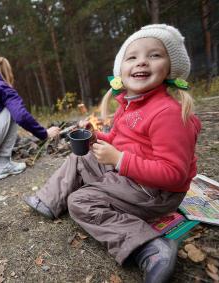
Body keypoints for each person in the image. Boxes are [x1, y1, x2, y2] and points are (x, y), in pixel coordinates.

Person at [24, 24, 201, 283]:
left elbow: (175, 175)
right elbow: (120, 140)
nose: (142, 62)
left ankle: (150, 248)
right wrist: (97, 139)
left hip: (154, 192)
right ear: (122, 71)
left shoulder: (169, 114)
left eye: (154, 55)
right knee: (81, 155)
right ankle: (50, 200)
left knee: (81, 202)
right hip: (132, 176)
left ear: (169, 67)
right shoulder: (128, 106)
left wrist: (118, 160)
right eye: (133, 57)